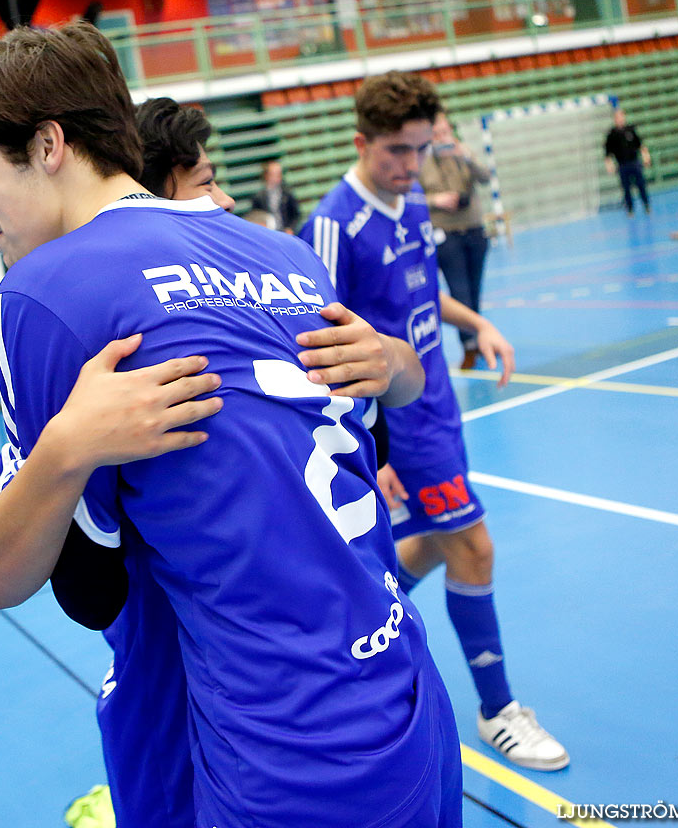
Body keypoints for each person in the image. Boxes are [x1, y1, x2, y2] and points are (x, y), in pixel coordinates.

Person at [0, 23, 460, 828]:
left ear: (48, 145)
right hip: (405, 691)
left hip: (281, 739)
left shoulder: (45, 290)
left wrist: (66, 446)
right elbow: (390, 391)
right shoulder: (282, 255)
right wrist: (401, 364)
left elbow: (27, 580)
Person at [55, 94, 426, 828]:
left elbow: (389, 399)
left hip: (281, 666)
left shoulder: (274, 296)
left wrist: (389, 360)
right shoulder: (116, 352)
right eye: (204, 185)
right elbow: (82, 584)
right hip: (194, 663)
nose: (224, 202)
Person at [301, 71, 569, 772]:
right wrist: (374, 450)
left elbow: (423, 294)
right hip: (401, 427)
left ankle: (358, 633)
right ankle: (498, 709)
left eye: (419, 150)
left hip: (441, 406)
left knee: (430, 542)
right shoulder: (332, 226)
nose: (410, 166)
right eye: (396, 151)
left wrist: (477, 321)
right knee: (473, 546)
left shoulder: (412, 198)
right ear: (361, 142)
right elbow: (320, 350)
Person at [418, 111, 492, 370]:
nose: (442, 137)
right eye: (436, 134)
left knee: (475, 289)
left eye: (445, 132)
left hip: (473, 229)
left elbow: (485, 177)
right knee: (459, 292)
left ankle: (479, 337)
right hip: (445, 235)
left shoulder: (463, 153)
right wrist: (436, 200)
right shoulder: (421, 161)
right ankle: (469, 346)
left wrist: (467, 157)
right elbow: (411, 198)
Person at [603, 107, 651, 214]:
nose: (619, 119)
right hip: (622, 165)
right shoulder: (611, 134)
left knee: (641, 185)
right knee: (626, 189)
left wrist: (646, 157)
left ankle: (646, 205)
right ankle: (630, 208)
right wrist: (609, 165)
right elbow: (607, 153)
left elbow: (641, 145)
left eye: (621, 116)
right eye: (617, 117)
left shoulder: (631, 129)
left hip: (634, 162)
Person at [249, 159, 301, 231]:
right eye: (273, 174)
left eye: (279, 174)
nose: (276, 178)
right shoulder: (259, 197)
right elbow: (256, 217)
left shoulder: (287, 194)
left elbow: (296, 214)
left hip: (285, 231)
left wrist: (290, 228)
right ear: (266, 175)